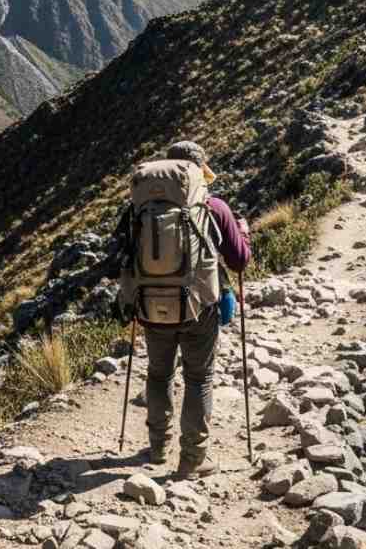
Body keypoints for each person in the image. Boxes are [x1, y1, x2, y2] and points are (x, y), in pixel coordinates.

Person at [119, 141, 250, 478]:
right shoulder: (214, 207)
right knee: (199, 378)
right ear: (198, 171)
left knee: (159, 374)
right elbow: (239, 260)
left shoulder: (137, 209)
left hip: (150, 307)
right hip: (199, 309)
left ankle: (158, 447)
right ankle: (192, 460)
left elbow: (120, 257)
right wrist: (244, 234)